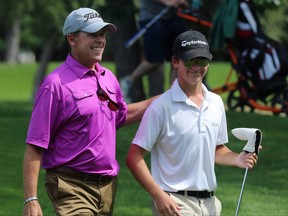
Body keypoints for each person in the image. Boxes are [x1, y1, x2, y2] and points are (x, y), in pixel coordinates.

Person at [22, 8, 156, 216]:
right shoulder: (55, 85)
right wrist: (31, 199)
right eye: (92, 34)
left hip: (108, 186)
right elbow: (35, 145)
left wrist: (161, 100)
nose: (100, 40)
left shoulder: (108, 78)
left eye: (102, 34)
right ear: (72, 39)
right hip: (70, 185)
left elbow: (119, 116)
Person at [126, 30, 260, 216]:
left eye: (203, 61)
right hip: (175, 204)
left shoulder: (216, 103)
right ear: (175, 62)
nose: (197, 67)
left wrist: (238, 158)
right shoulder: (161, 107)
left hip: (211, 205)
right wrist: (159, 196)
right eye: (190, 60)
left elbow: (216, 150)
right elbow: (134, 157)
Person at [120, 0, 189, 103]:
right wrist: (168, 2)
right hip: (151, 18)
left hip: (172, 18)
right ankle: (129, 81)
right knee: (154, 60)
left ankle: (173, 95)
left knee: (177, 58)